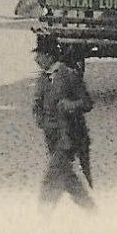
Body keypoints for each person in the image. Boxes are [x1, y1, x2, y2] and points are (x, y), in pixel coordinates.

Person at [33, 34, 95, 210]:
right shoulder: (43, 78)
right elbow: (37, 104)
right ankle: (92, 211)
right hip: (52, 138)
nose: (36, 59)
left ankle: (42, 217)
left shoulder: (69, 76)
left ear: (50, 56)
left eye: (40, 54)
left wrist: (70, 105)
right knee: (68, 180)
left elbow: (87, 103)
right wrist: (39, 117)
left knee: (50, 181)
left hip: (69, 138)